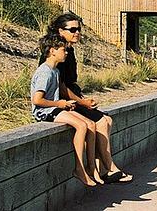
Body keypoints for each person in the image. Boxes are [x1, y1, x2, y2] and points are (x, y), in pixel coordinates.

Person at [44, 13, 132, 183]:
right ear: (59, 30)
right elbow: (61, 88)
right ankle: (110, 167)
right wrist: (82, 102)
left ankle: (102, 169)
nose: (77, 32)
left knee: (107, 120)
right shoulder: (57, 53)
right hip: (64, 102)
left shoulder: (68, 50)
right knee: (101, 122)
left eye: (79, 29)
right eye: (73, 29)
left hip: (73, 97)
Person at [30, 35, 102, 187]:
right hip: (45, 111)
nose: (67, 52)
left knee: (90, 124)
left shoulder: (55, 71)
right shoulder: (45, 72)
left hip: (55, 108)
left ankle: (91, 167)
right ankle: (79, 168)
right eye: (63, 49)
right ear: (52, 51)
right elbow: (37, 100)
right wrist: (60, 104)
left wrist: (67, 104)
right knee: (82, 126)